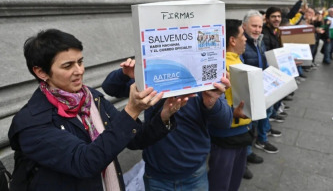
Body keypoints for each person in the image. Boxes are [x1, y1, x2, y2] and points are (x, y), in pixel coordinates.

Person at [8, 29, 186, 191]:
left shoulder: (90, 97)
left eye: (80, 61)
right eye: (68, 66)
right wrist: (132, 110)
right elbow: (84, 162)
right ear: (41, 72)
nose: (79, 71)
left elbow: (135, 138)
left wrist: (166, 114)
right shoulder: (31, 122)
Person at [102, 59, 233, 190]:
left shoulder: (200, 73)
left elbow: (225, 122)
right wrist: (125, 73)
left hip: (194, 175)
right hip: (157, 176)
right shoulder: (152, 71)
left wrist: (212, 102)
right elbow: (109, 87)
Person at [207, 19, 253, 191]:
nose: (246, 39)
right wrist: (233, 113)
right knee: (221, 183)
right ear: (232, 40)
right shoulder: (221, 66)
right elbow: (210, 105)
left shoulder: (237, 61)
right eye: (243, 35)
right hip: (227, 136)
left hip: (241, 132)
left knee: (232, 181)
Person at [242, 10, 280, 154]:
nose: (257, 30)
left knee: (263, 115)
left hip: (262, 87)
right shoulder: (242, 43)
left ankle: (259, 142)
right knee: (250, 123)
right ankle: (247, 153)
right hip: (249, 91)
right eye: (254, 26)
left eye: (260, 26)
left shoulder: (260, 41)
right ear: (244, 26)